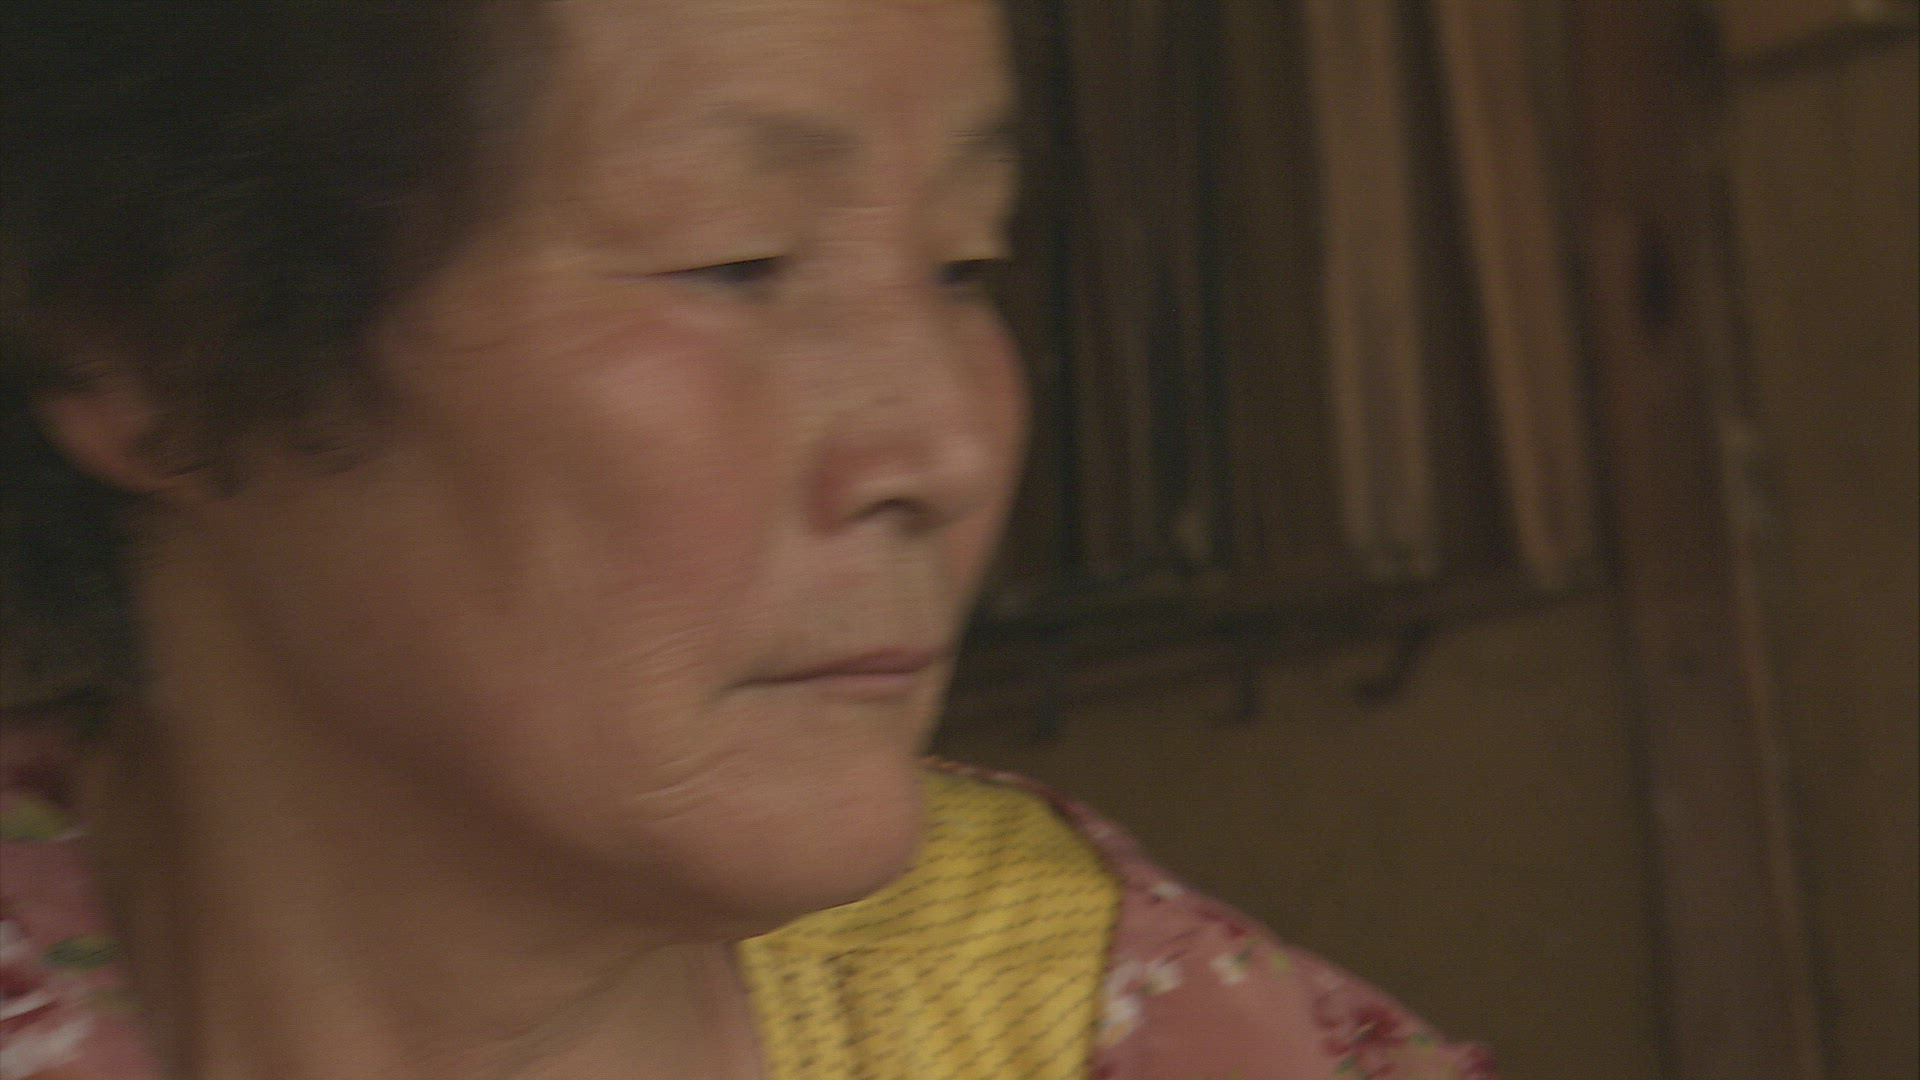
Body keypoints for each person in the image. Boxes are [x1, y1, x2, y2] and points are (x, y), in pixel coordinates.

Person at [0, 1, 1498, 1077]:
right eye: (735, 261)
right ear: (148, 341)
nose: (949, 448)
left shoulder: (1110, 1025)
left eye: (964, 263)